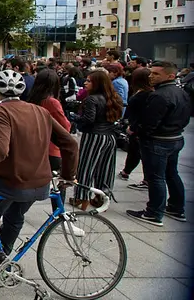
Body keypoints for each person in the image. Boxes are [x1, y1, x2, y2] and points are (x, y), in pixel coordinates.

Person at [0, 70, 79, 255]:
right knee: (15, 217)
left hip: (11, 181)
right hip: (40, 183)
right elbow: (70, 143)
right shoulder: (41, 111)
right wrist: (68, 176)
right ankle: (4, 255)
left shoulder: (1, 110)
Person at [127, 61, 191, 226]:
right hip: (174, 137)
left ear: (170, 75)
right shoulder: (180, 92)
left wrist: (137, 132)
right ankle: (176, 207)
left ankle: (154, 212)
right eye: (151, 73)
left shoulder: (160, 95)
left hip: (159, 140)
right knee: (171, 173)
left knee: (156, 177)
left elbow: (149, 123)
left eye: (156, 74)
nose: (151, 76)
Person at [69, 70, 124, 210]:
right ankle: (102, 196)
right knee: (106, 169)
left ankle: (81, 197)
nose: (85, 83)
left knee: (86, 168)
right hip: (110, 136)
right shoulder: (114, 98)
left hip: (93, 136)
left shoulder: (91, 99)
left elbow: (89, 119)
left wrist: (74, 116)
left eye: (89, 81)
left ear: (97, 83)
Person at [27, 68, 71, 209]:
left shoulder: (32, 99)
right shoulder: (52, 102)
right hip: (52, 148)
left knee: (32, 185)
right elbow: (65, 126)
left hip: (36, 146)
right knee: (58, 185)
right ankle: (59, 213)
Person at [119, 68, 153, 187]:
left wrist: (133, 127)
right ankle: (127, 171)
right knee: (134, 151)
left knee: (138, 152)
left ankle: (146, 179)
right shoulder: (144, 92)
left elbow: (142, 114)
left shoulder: (145, 95)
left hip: (138, 128)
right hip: (136, 127)